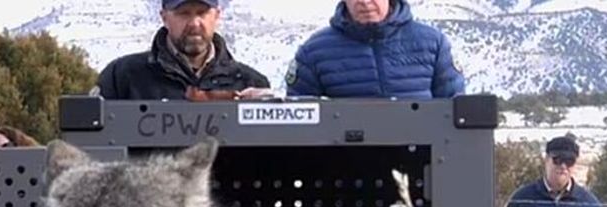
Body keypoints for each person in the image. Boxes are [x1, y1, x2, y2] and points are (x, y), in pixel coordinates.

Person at [284, 0, 465, 99]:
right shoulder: (314, 52)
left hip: (424, 161)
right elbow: (298, 121)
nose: (364, 2)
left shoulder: (433, 44)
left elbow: (455, 111)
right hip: (344, 163)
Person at [95, 0, 271, 101]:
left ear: (217, 16)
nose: (194, 23)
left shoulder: (251, 83)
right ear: (164, 17)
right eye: (183, 13)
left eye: (202, 13)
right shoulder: (121, 77)